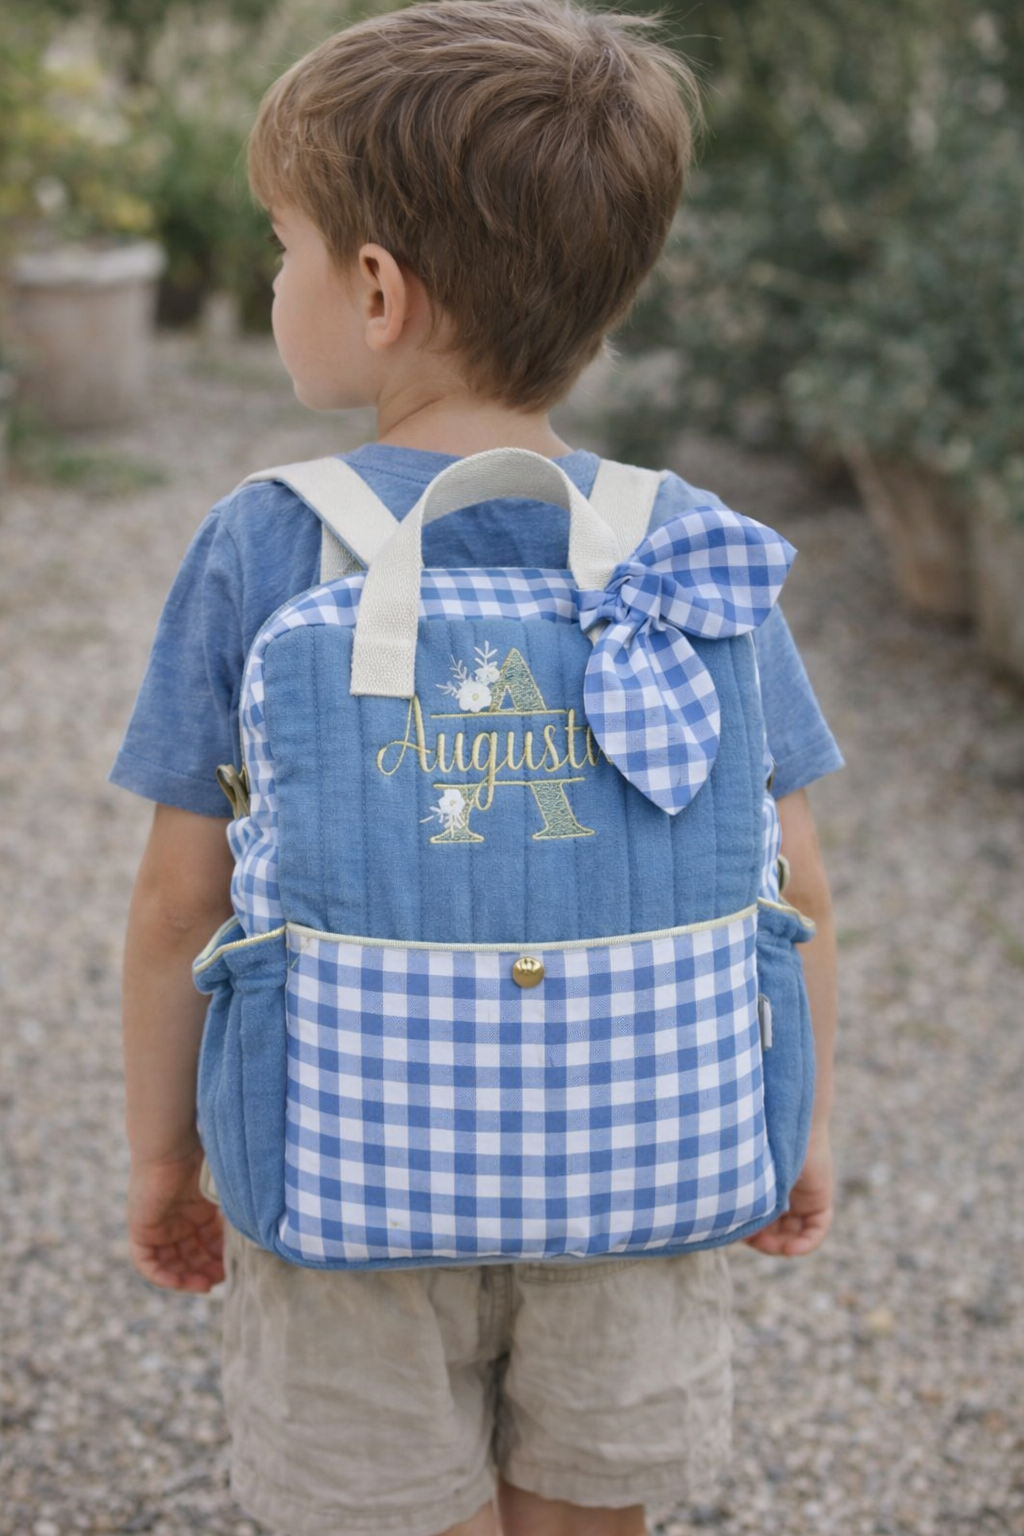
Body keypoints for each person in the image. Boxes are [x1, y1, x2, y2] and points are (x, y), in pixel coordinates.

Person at [111, 3, 842, 1533]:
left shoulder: (267, 538)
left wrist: (172, 1156)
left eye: (283, 244)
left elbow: (180, 904)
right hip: (644, 1162)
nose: (271, 278)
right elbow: (797, 883)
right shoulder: (686, 547)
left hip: (341, 1173)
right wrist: (794, 1127)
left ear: (373, 289)